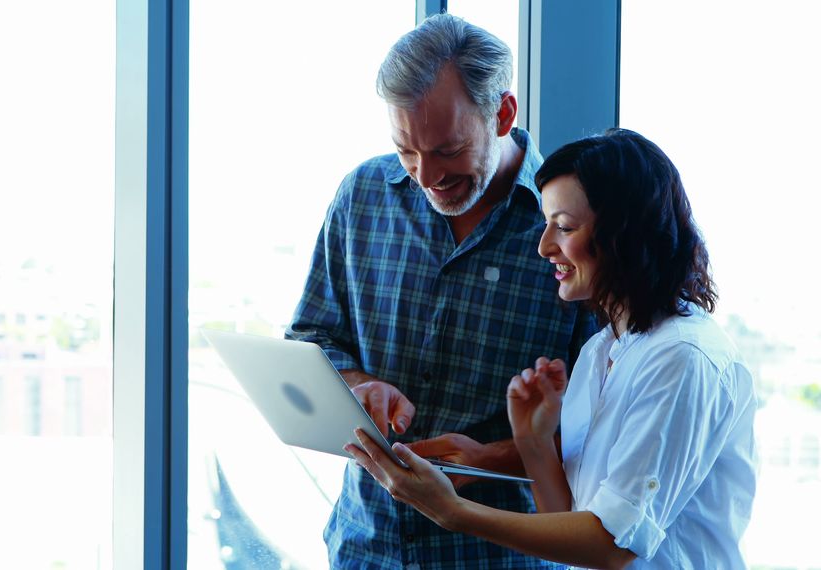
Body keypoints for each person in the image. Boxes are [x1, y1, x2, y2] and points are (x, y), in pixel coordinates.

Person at [346, 128, 758, 569]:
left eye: (563, 227)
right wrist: (533, 441)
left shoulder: (683, 357)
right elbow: (572, 524)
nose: (544, 246)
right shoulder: (605, 349)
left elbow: (612, 544)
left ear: (625, 234)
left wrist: (454, 512)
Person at [286, 13, 596, 569]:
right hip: (365, 546)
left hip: (500, 557)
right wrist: (357, 386)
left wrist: (487, 459)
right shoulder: (362, 196)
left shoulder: (571, 228)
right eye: (406, 149)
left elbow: (601, 423)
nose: (426, 175)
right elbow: (312, 338)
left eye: (448, 149)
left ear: (502, 114)